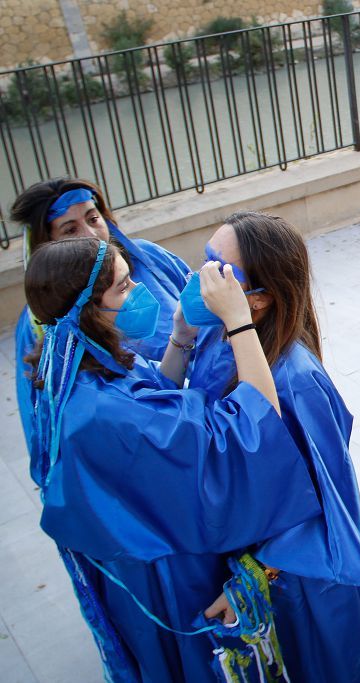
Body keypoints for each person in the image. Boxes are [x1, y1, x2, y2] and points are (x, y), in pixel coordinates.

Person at [23, 236, 324, 683]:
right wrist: (239, 325)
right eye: (123, 287)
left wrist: (180, 339)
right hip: (167, 574)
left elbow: (154, 400)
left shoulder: (82, 362)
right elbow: (251, 428)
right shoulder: (106, 414)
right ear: (87, 311)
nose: (138, 291)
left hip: (143, 551)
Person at [187, 211, 360, 682]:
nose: (204, 279)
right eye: (205, 261)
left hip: (295, 580)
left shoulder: (296, 381)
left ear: (258, 300)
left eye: (221, 271)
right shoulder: (221, 339)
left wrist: (255, 578)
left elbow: (325, 502)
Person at [11, 178, 190, 451]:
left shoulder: (150, 258)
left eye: (93, 218)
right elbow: (44, 417)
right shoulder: (46, 325)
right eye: (70, 230)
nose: (92, 235)